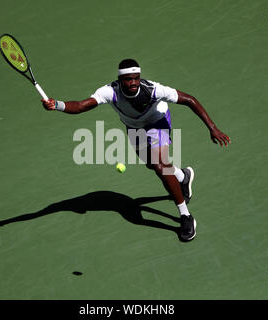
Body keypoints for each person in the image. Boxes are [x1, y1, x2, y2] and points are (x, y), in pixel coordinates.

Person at [41, 59, 230, 241]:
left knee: (160, 166)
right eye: (128, 79)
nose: (132, 82)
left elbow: (189, 99)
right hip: (134, 128)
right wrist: (57, 105)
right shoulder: (109, 91)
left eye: (136, 78)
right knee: (151, 164)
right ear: (120, 79)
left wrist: (212, 128)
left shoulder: (154, 90)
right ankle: (182, 176)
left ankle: (185, 216)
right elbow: (82, 106)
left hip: (157, 122)